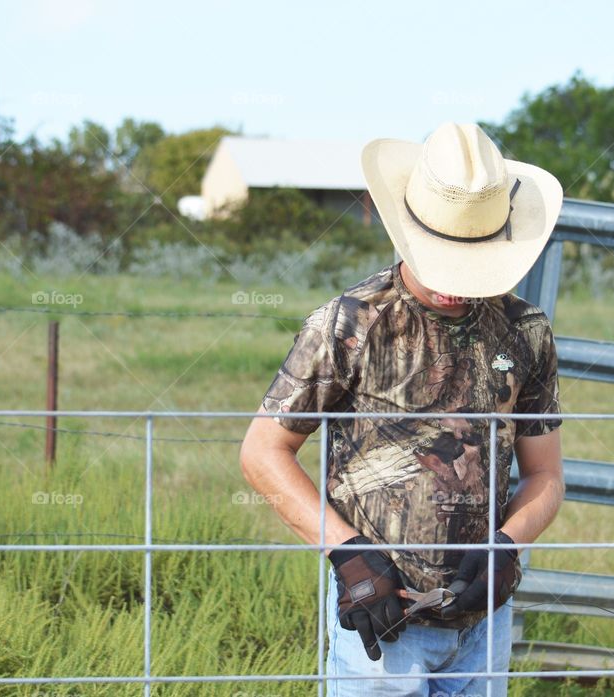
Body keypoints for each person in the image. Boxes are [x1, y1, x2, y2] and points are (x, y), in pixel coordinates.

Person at [240, 122, 565, 696]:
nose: (454, 286)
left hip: (482, 626)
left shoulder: (525, 332)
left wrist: (508, 546)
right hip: (384, 629)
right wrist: (349, 555)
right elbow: (264, 452)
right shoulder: (350, 324)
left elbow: (546, 475)